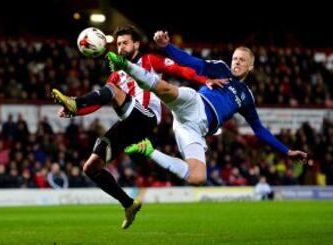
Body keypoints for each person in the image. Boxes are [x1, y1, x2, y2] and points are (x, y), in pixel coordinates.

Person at [51, 25, 223, 229]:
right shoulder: (115, 74)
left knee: (112, 90)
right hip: (128, 122)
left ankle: (75, 101)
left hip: (147, 116)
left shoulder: (149, 60)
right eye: (118, 44)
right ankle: (128, 204)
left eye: (125, 43)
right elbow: (99, 102)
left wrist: (205, 79)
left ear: (136, 44)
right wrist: (76, 111)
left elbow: (178, 69)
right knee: (91, 167)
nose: (121, 47)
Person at [106, 30, 308, 186]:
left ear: (251, 67)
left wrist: (287, 151)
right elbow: (190, 61)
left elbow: (259, 130)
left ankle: (149, 151)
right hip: (195, 104)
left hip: (194, 129)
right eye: (235, 58)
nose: (236, 62)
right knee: (165, 89)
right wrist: (167, 47)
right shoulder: (220, 68)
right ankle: (125, 65)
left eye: (242, 60)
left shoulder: (247, 97)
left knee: (197, 177)